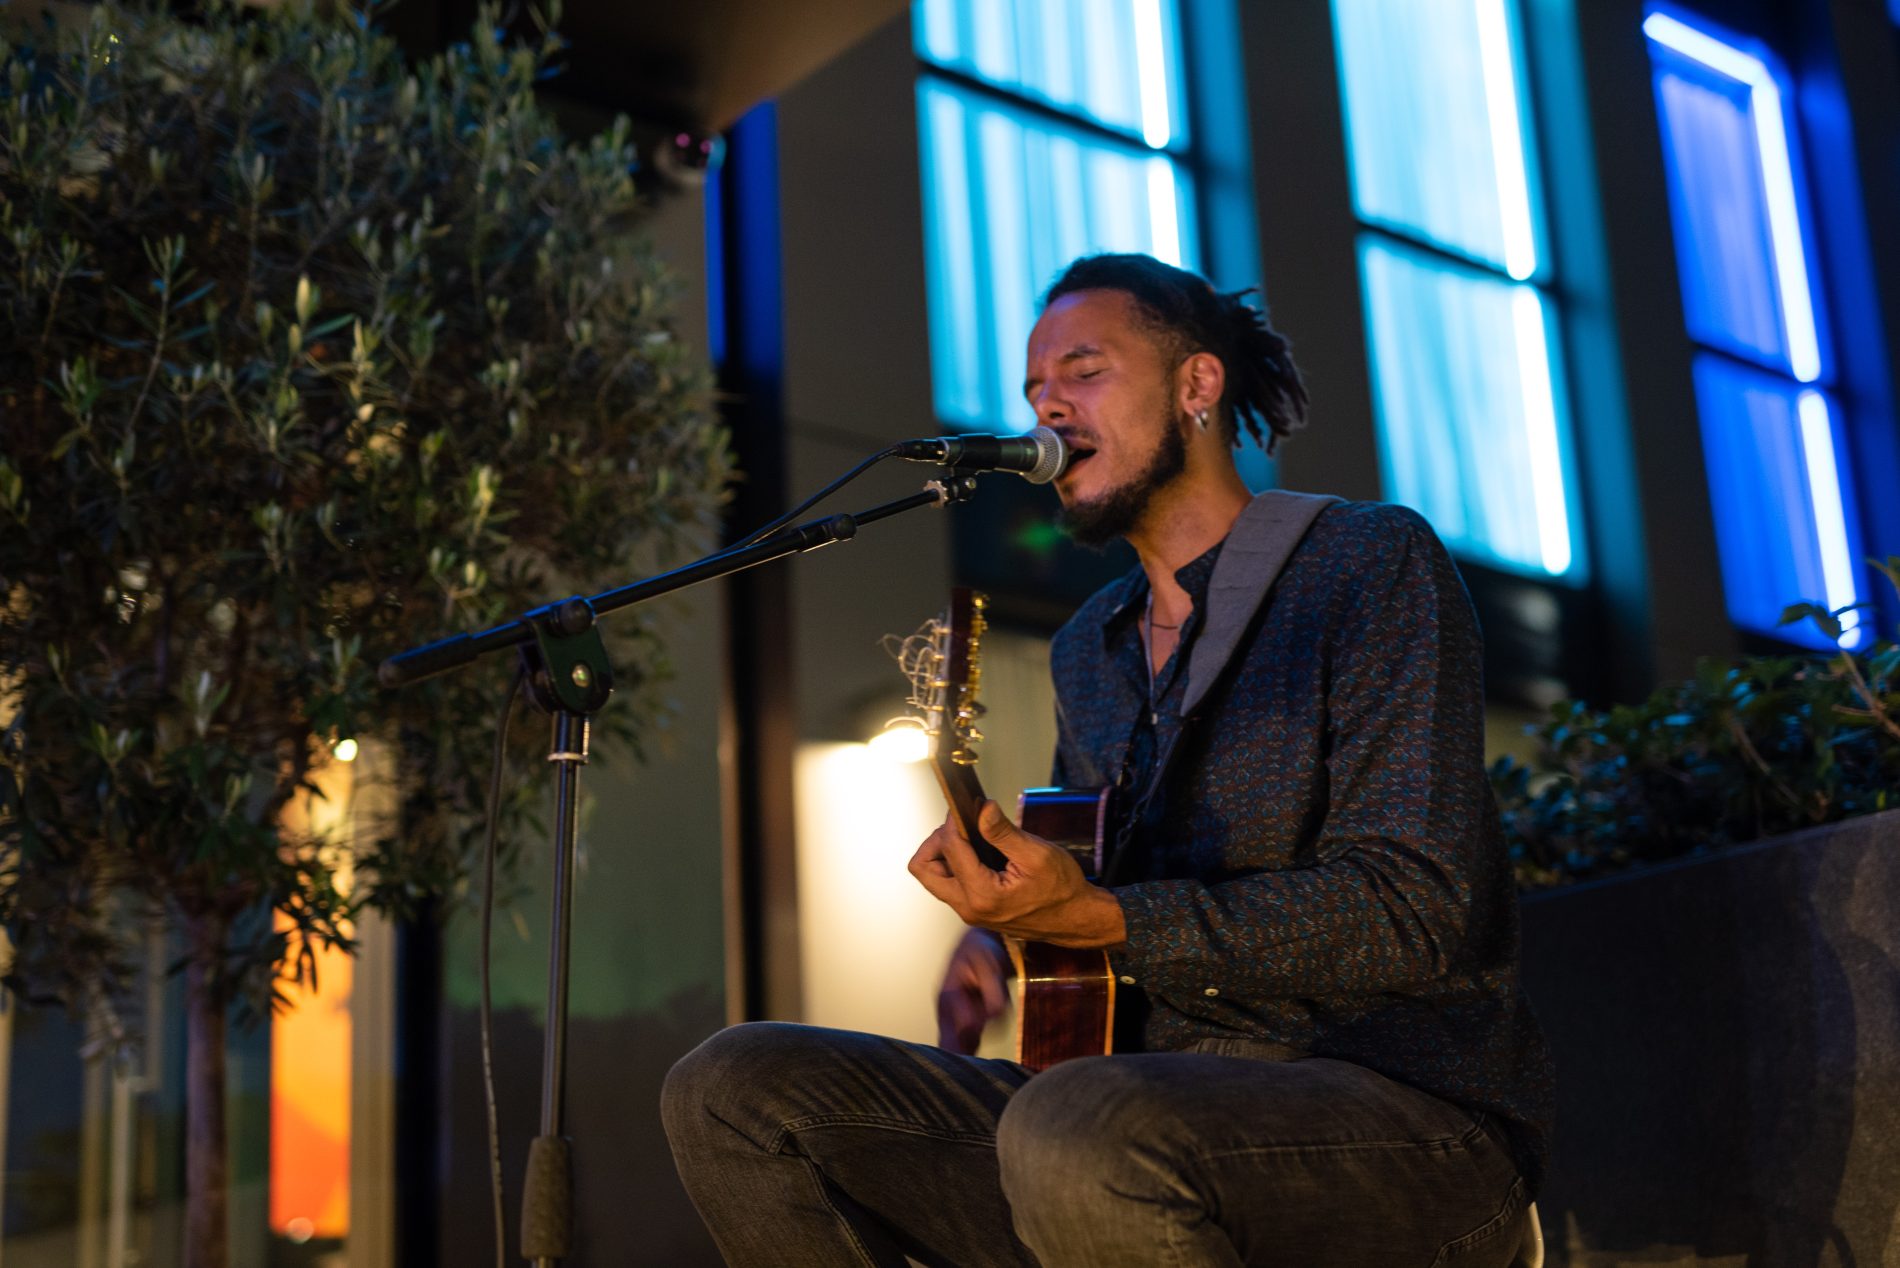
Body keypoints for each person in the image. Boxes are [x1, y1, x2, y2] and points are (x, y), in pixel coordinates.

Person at [662, 253, 1554, 1267]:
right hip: (1128, 1108)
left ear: (1196, 385)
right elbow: (1087, 891)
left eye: (1083, 370)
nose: (1046, 404)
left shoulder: (1366, 563)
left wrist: (1108, 919)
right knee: (735, 1086)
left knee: (1076, 1120)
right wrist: (1011, 939)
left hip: (1398, 1110)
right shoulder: (1091, 648)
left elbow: (1412, 910)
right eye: (1035, 386)